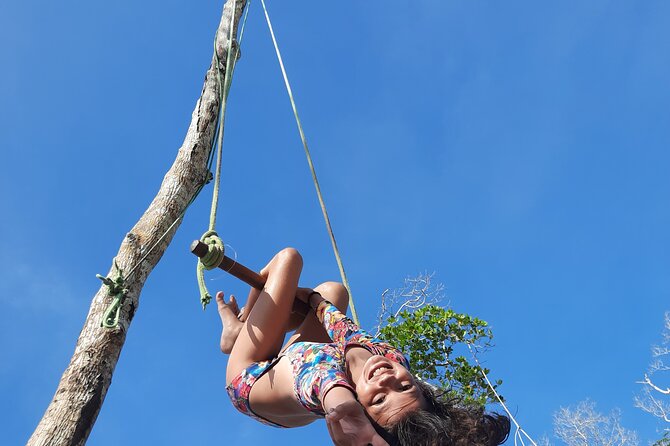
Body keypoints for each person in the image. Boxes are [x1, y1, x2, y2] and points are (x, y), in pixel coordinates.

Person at [218, 248, 510, 445]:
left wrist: (345, 411)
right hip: (287, 373)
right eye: (404, 388)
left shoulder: (329, 384)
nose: (386, 380)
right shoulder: (390, 357)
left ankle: (238, 332)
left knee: (288, 259)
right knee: (333, 291)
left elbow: (326, 387)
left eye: (379, 400)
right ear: (421, 387)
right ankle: (248, 329)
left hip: (250, 379)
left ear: (361, 406)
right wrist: (314, 301)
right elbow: (345, 329)